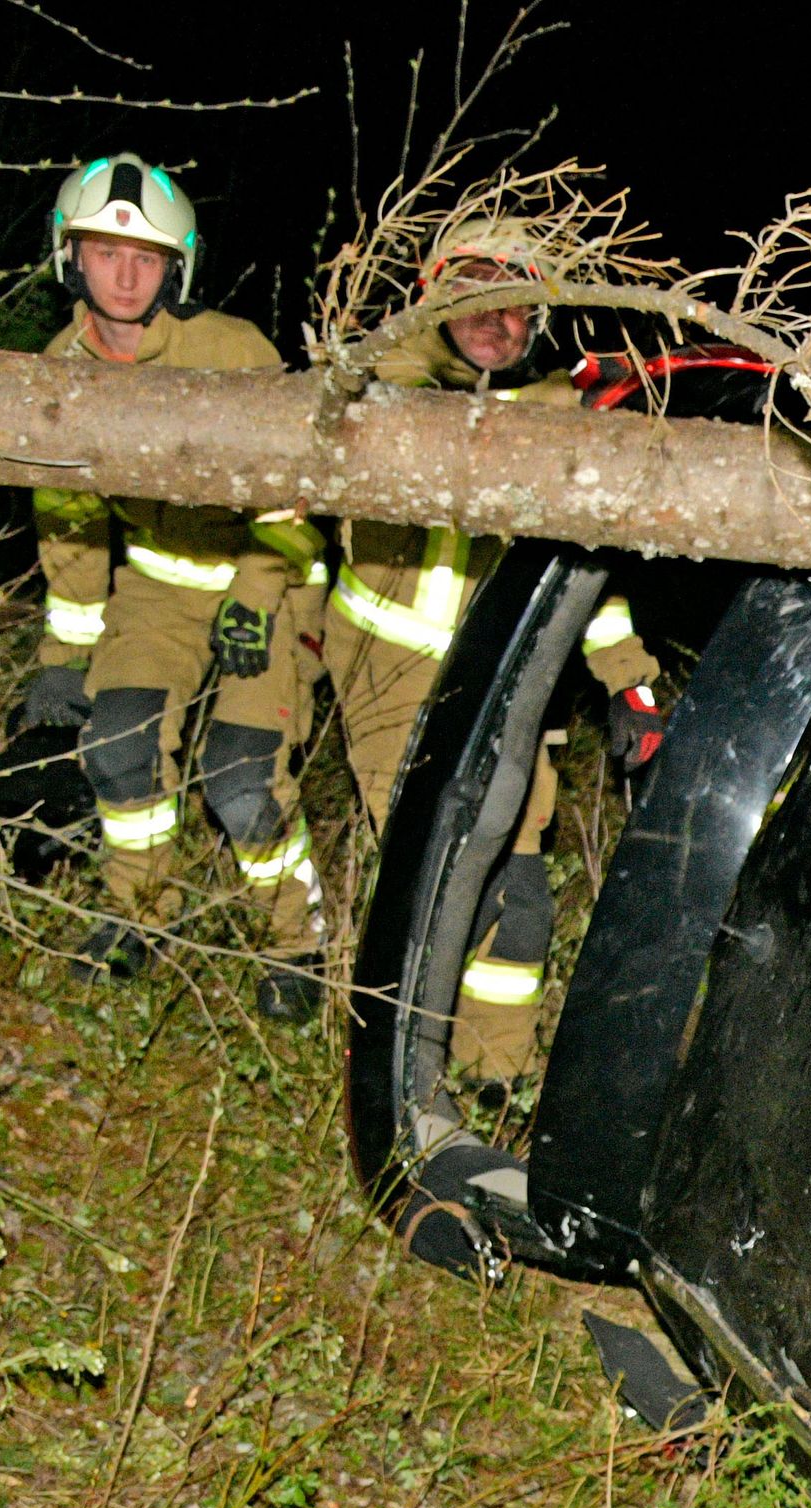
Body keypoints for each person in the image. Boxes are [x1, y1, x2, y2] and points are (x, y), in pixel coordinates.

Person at [327, 222, 668, 1109]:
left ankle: (493, 1083)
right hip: (390, 684)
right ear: (437, 297)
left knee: (518, 899)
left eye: (516, 301)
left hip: (512, 692)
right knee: (443, 887)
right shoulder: (387, 383)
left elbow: (586, 577)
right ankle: (396, 1077)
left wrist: (627, 680)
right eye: (474, 289)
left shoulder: (563, 419)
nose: (495, 315)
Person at [24, 155, 331, 1017]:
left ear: (176, 267)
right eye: (105, 252)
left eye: (147, 258)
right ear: (70, 257)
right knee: (116, 748)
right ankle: (137, 917)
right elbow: (72, 526)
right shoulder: (58, 371)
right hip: (156, 589)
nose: (125, 275)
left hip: (265, 583)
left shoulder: (233, 350)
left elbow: (298, 497)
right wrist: (63, 654)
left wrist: (258, 590)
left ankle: (296, 942)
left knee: (241, 782)